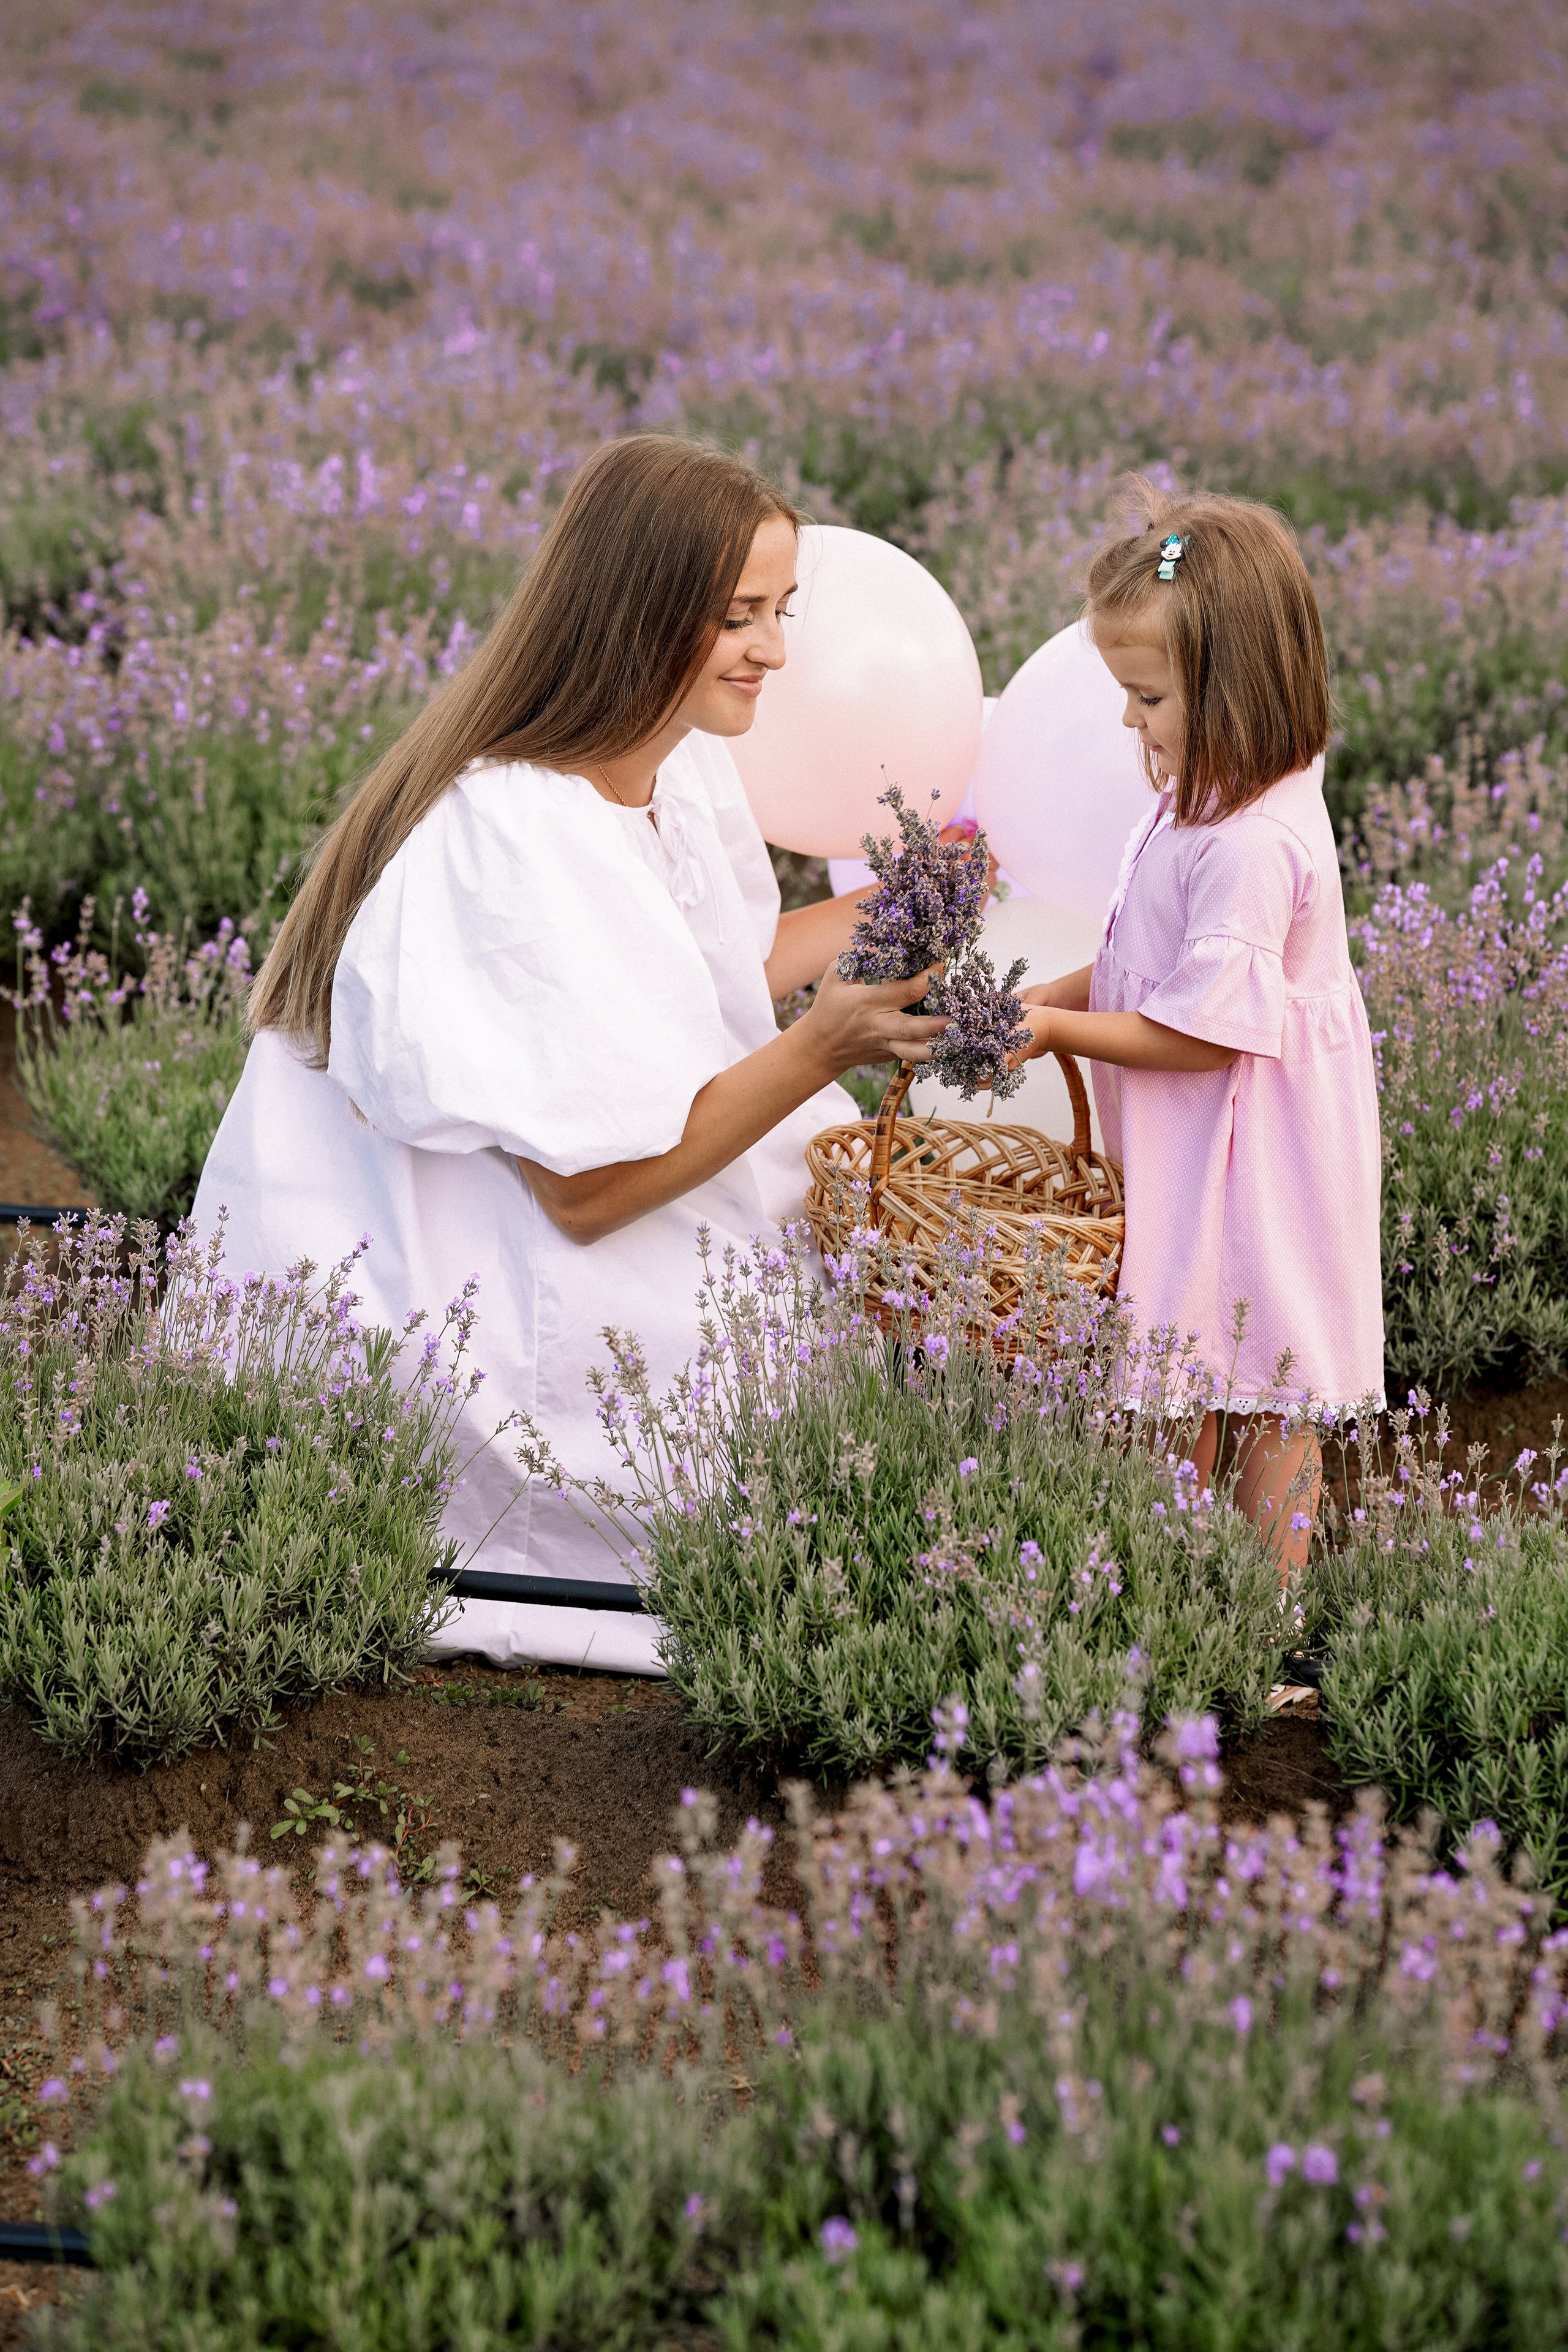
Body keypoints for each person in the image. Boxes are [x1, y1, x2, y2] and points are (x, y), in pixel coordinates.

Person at [193, 437, 951, 1670]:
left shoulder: (675, 759)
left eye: (782, 610)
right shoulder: (508, 827)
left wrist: (893, 911)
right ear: (639, 615)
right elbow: (585, 1193)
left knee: (884, 1310)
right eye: (738, 616)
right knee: (790, 1411)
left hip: (594, 1168)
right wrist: (822, 1049)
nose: (773, 649)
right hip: (471, 1264)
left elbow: (692, 973)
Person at [1016, 483, 1384, 1578]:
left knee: (1266, 1374)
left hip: (1255, 1141)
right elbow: (1152, 969)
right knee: (1177, 1363)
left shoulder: (1253, 841)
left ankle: (1266, 1618)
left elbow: (1209, 1032)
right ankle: (1175, 1590)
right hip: (1199, 1130)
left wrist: (1057, 1032)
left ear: (1237, 688)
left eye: (1147, 697)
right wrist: (1059, 994)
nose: (1130, 722)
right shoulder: (1202, 793)